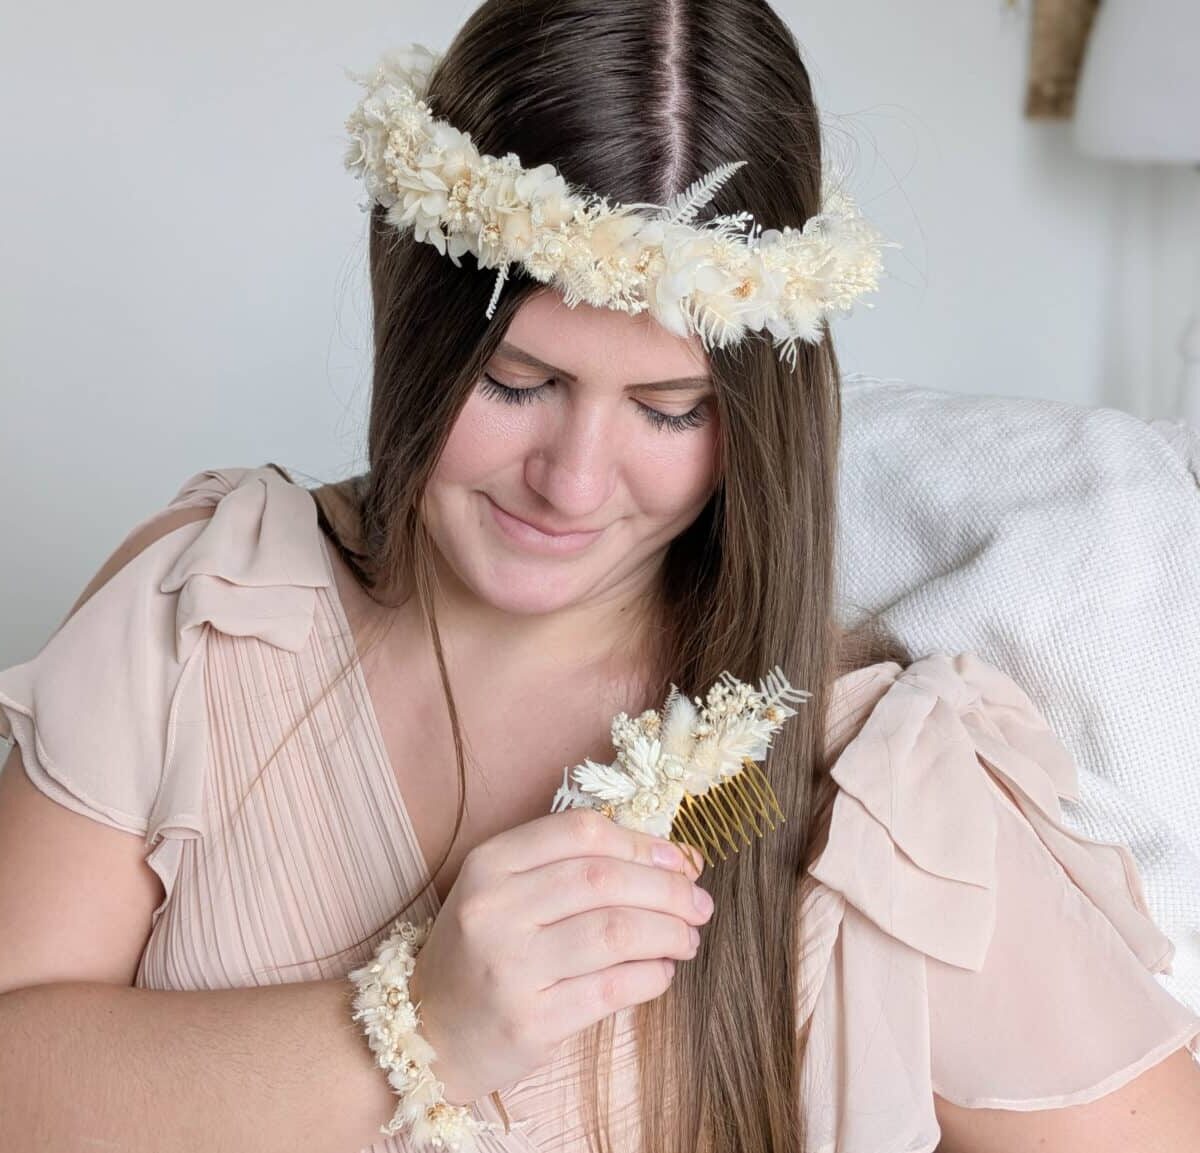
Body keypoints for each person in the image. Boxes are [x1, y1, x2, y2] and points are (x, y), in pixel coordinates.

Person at [1, 1, 1198, 1151]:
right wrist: (416, 1030)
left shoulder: (858, 788)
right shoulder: (205, 608)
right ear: (414, 321)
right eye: (520, 383)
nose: (572, 484)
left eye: (669, 411)